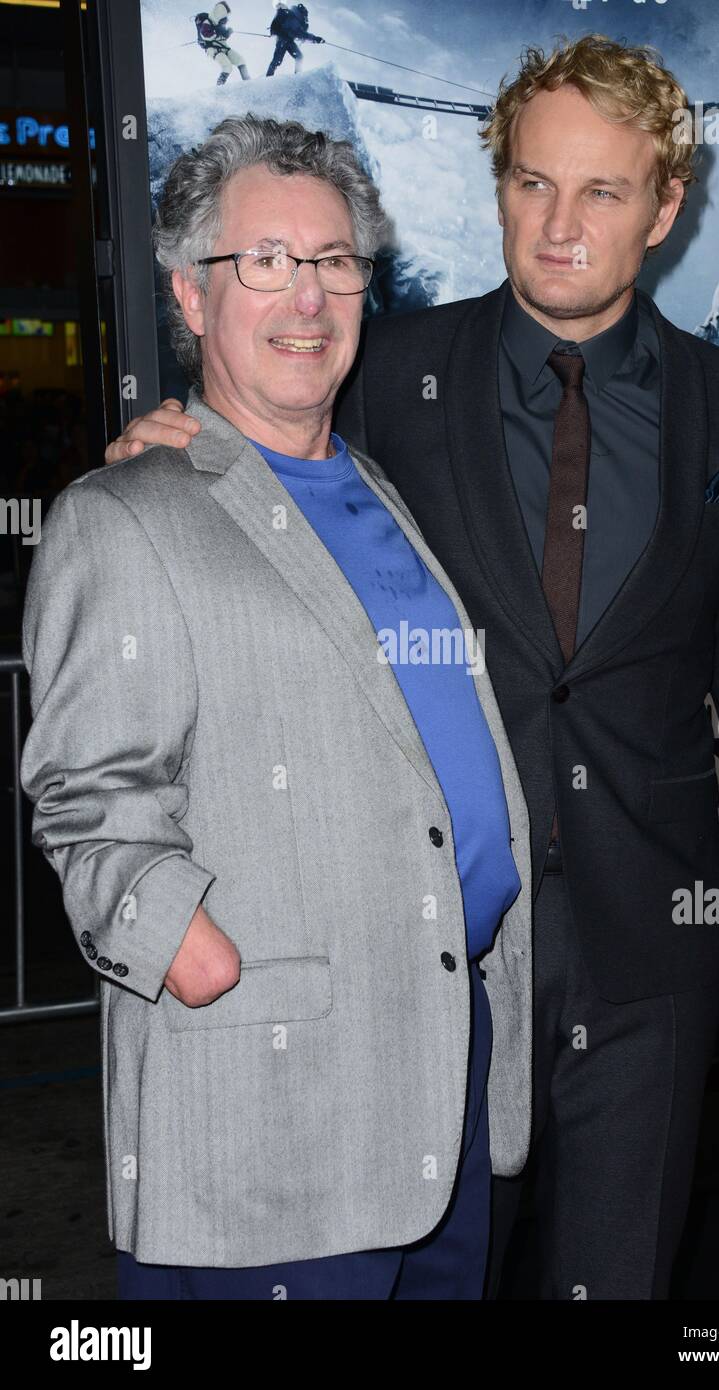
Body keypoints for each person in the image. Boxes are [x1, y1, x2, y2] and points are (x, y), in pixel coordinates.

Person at [105, 35, 719, 1301]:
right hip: (425, 958)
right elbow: (262, 456)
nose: (557, 227)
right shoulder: (384, 367)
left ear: (664, 208)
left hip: (646, 952)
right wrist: (174, 443)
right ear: (497, 184)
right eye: (530, 184)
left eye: (601, 192)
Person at [20, 114, 533, 1300]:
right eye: (262, 261)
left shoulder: (372, 486)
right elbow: (84, 792)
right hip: (272, 1098)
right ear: (190, 299)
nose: (306, 297)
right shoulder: (123, 514)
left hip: (440, 1073)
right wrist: (176, 944)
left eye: (334, 261)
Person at [194, 4, 250, 85]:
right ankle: (220, 86)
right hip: (213, 50)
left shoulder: (219, 22)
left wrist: (228, 33)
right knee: (227, 66)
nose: (224, 22)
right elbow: (206, 35)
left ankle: (248, 80)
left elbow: (224, 36)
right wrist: (221, 35)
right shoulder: (206, 23)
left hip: (224, 47)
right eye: (223, 20)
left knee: (240, 60)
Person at [267, 2, 324, 78]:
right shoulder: (294, 18)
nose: (306, 18)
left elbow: (300, 35)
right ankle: (268, 78)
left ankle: (297, 76)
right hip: (283, 40)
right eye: (305, 15)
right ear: (302, 13)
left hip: (288, 40)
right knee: (278, 60)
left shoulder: (294, 17)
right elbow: (301, 34)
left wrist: (314, 40)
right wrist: (315, 39)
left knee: (296, 57)